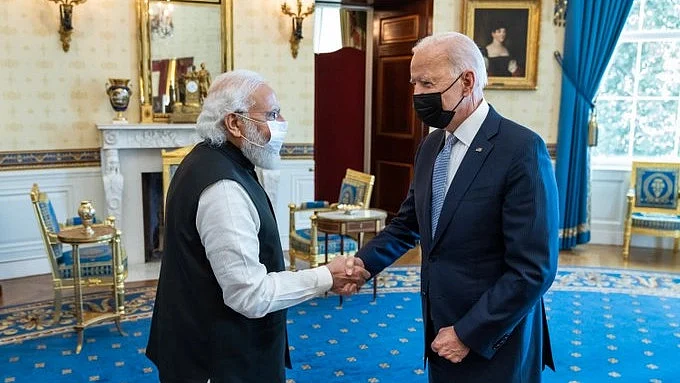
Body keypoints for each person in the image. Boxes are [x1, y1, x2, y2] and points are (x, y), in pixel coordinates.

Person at [347, 32, 558, 382]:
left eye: (427, 82)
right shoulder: (431, 146)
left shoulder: (521, 150)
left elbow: (533, 269)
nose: (417, 94)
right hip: (439, 326)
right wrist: (361, 265)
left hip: (495, 337)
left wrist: (467, 334)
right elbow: (408, 224)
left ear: (467, 82)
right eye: (414, 83)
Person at [146, 69, 370, 383]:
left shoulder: (208, 161)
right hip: (220, 361)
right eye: (272, 114)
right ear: (234, 123)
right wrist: (326, 276)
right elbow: (249, 294)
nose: (280, 125)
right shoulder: (222, 189)